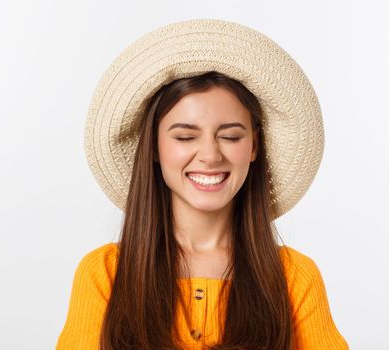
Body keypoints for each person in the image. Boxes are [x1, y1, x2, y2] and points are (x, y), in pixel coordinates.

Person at [56, 19, 349, 350]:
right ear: (153, 146)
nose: (210, 156)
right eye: (185, 136)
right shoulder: (104, 275)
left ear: (254, 147)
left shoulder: (294, 279)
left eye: (230, 136)